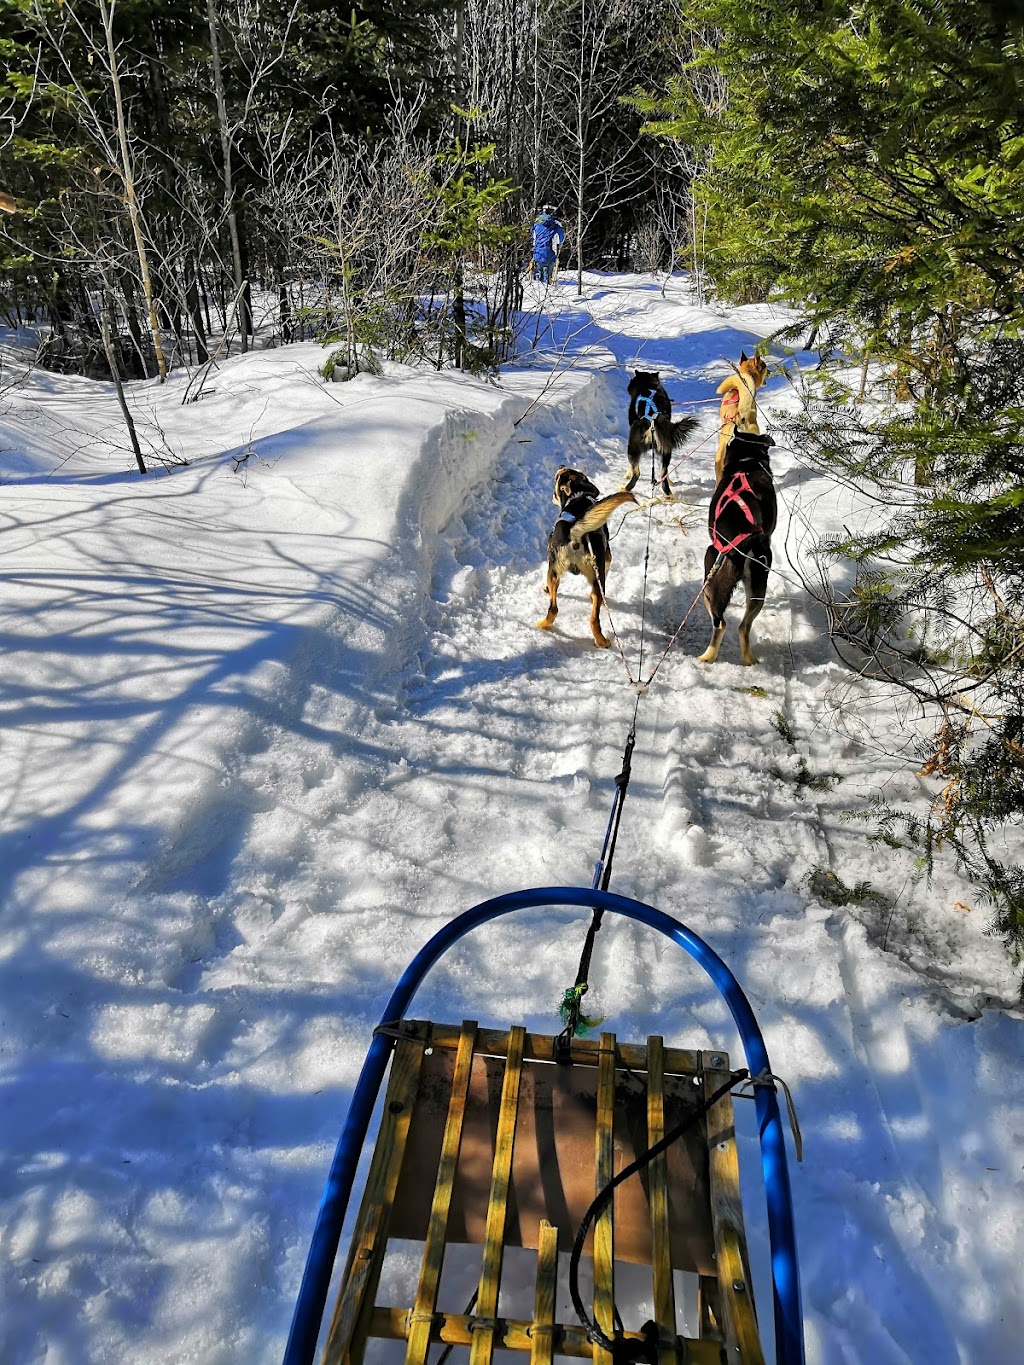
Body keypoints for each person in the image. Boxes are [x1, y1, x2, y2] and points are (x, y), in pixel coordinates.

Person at [531, 204, 565, 284]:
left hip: (538, 254)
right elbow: (561, 240)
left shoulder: (536, 223)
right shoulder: (556, 225)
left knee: (537, 283)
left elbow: (533, 238)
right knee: (548, 281)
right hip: (550, 254)